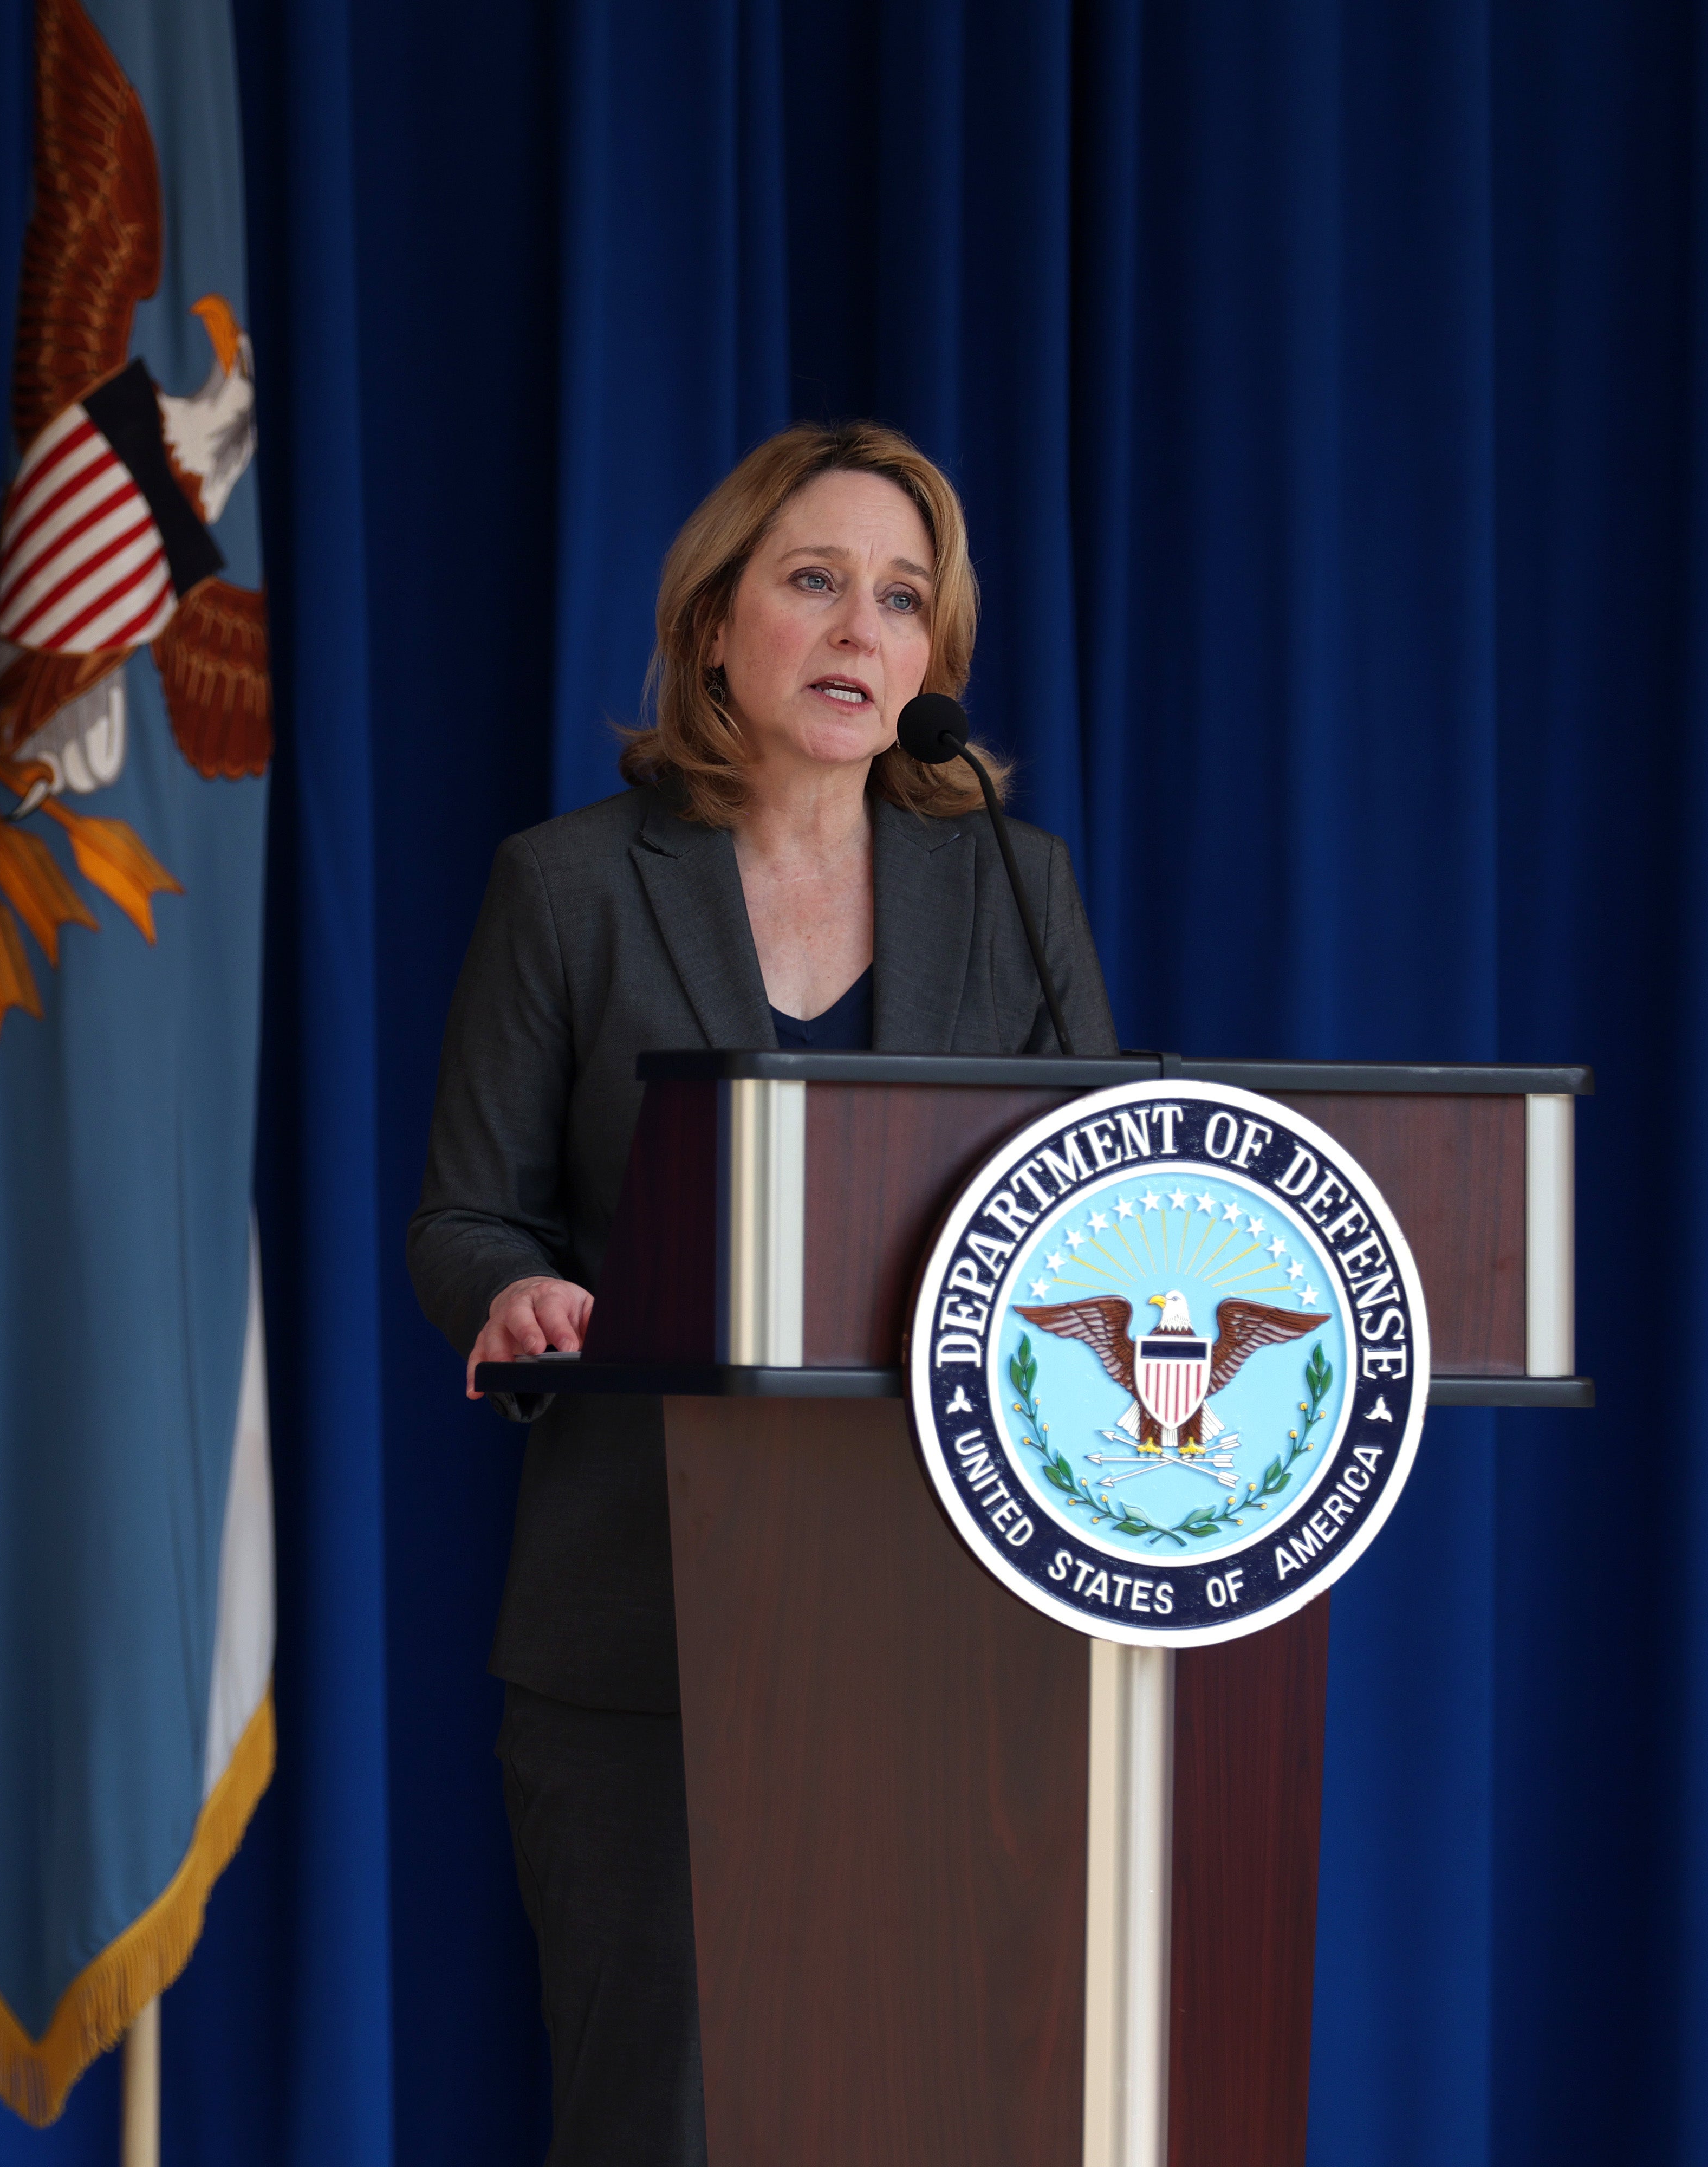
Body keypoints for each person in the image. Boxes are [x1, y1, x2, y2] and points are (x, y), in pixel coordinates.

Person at [405, 421, 1119, 2165]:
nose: (862, 631)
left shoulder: (1012, 893)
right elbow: (466, 1218)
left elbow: (1107, 1216)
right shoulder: (568, 888)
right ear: (715, 622)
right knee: (665, 2123)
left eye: (902, 598)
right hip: (642, 1627)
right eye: (815, 583)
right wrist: (515, 1306)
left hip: (951, 1635)